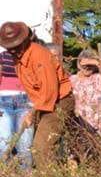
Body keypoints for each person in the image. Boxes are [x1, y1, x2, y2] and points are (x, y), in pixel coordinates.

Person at [0, 22, 73, 169]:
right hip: (43, 103)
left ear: (25, 40)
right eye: (9, 47)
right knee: (40, 146)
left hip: (59, 101)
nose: (12, 50)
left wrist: (32, 113)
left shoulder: (39, 56)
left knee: (41, 147)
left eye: (16, 46)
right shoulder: (19, 57)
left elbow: (49, 90)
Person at [0, 42, 34, 169]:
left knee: (25, 145)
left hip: (26, 101)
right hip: (3, 101)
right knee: (4, 143)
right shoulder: (3, 56)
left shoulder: (29, 56)